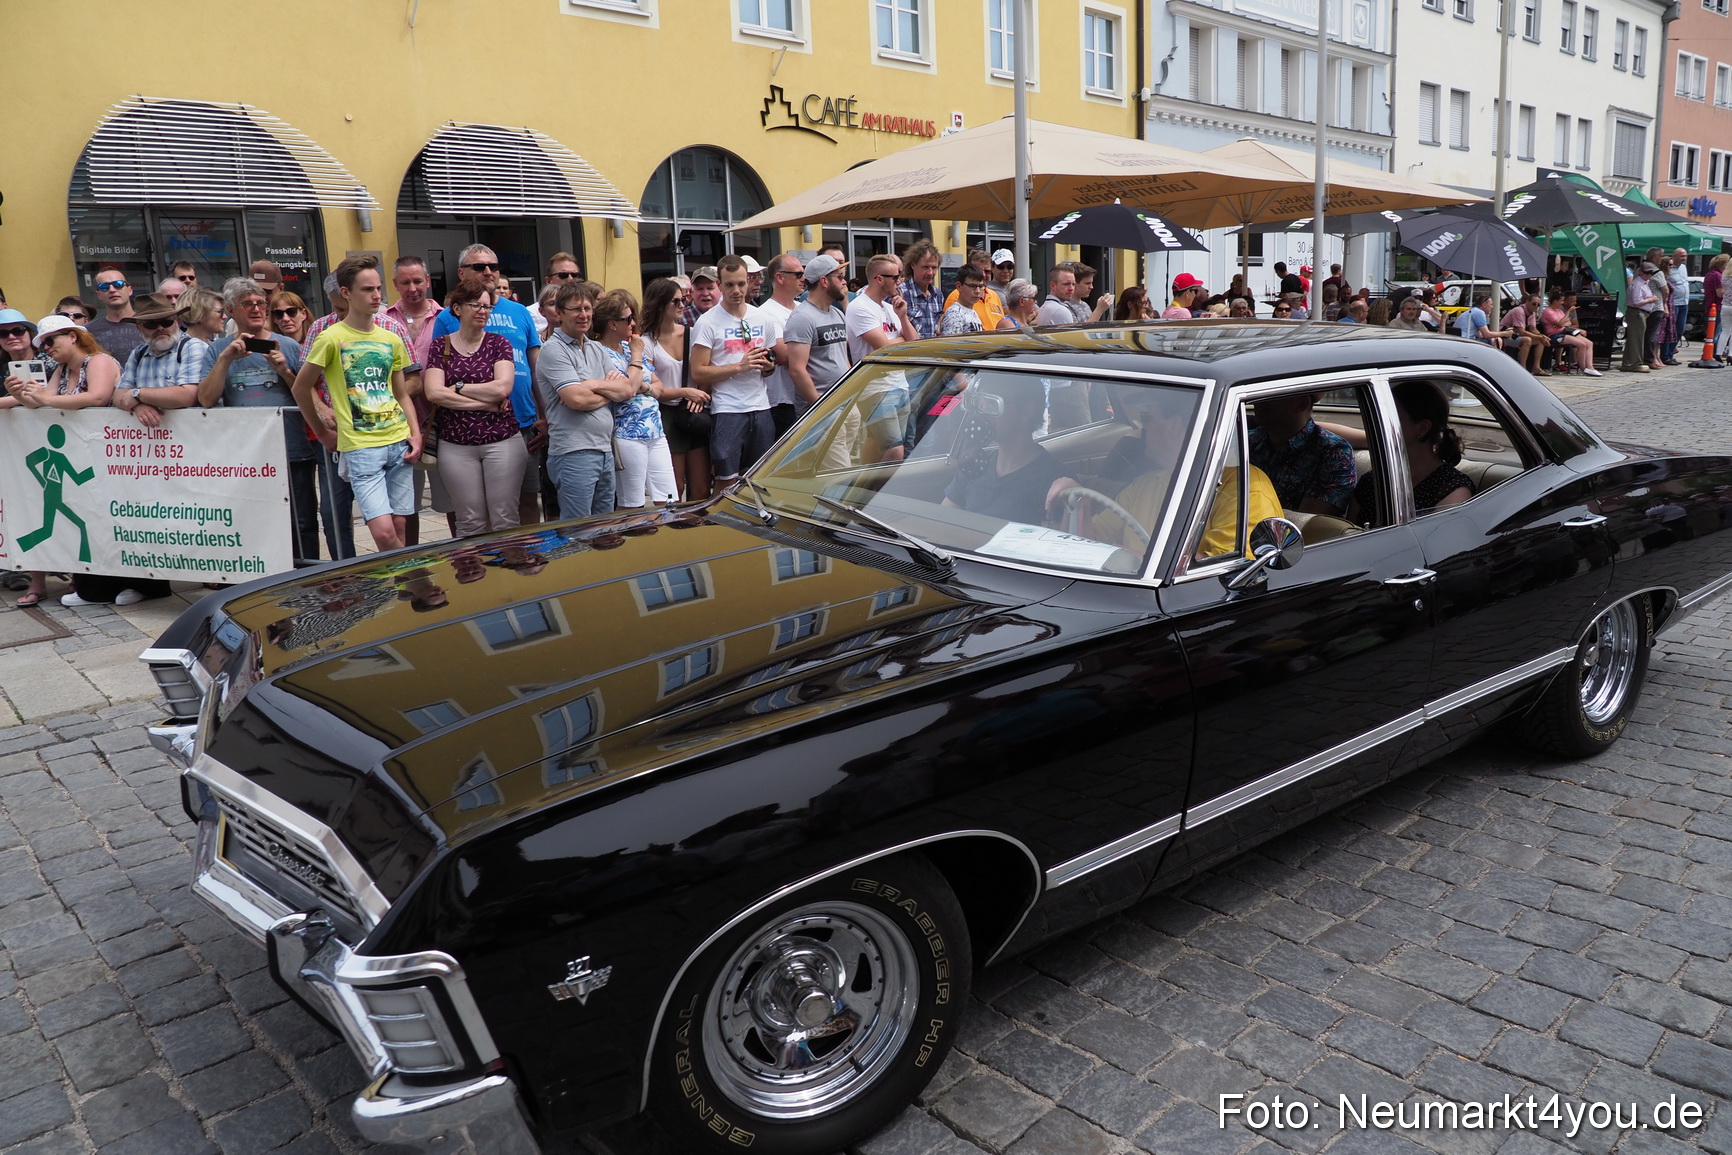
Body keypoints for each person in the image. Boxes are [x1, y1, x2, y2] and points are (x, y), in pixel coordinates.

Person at [6, 316, 163, 608]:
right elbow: (42, 400)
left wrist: (45, 400)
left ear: (73, 337)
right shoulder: (64, 369)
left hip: (115, 455)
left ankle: (144, 585)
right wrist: (20, 394)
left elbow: (98, 396)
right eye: (43, 343)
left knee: (120, 521)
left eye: (51, 341)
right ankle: (95, 588)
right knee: (92, 523)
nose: (46, 348)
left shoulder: (98, 361)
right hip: (86, 455)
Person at [290, 254, 422, 553]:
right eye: (367, 289)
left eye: (377, 288)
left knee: (400, 527)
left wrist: (414, 432)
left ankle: (401, 588)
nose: (376, 295)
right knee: (384, 532)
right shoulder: (330, 337)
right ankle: (408, 582)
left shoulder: (391, 337)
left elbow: (401, 393)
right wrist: (322, 433)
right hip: (361, 447)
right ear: (346, 293)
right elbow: (301, 388)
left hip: (397, 439)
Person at [199, 278, 319, 562]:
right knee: (253, 521)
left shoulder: (288, 345)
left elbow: (309, 396)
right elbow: (205, 398)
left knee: (302, 522)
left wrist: (284, 371)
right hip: (245, 454)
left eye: (261, 303)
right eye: (247, 304)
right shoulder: (218, 350)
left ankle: (309, 578)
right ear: (230, 310)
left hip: (291, 450)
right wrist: (226, 359)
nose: (256, 309)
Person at [430, 244, 544, 525]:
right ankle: (475, 567)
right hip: (458, 435)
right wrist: (481, 400)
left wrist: (545, 414)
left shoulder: (518, 315)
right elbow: (434, 390)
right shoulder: (444, 323)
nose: (489, 272)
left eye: (493, 266)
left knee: (520, 504)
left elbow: (529, 370)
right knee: (470, 515)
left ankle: (524, 561)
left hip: (518, 424)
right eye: (480, 267)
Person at [422, 284, 526, 537]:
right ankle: (474, 574)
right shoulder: (441, 346)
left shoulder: (498, 343)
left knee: (505, 519)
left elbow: (502, 388)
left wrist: (456, 386)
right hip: (455, 444)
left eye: (487, 306)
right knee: (469, 522)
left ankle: (507, 574)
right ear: (457, 309)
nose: (483, 310)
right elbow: (434, 393)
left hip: (502, 441)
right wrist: (483, 402)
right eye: (476, 305)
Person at [537, 281, 634, 516]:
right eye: (576, 309)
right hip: (574, 453)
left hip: (604, 450)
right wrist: (608, 390)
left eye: (588, 309)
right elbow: (576, 400)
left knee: (603, 530)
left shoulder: (596, 349)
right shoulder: (553, 350)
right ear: (559, 314)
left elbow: (627, 390)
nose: (584, 315)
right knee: (577, 530)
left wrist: (591, 385)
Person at [691, 254, 787, 486]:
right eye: (730, 284)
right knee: (726, 479)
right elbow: (698, 372)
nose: (736, 290)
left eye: (741, 283)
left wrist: (768, 367)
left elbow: (771, 363)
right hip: (728, 409)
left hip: (762, 406)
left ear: (750, 282)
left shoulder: (762, 318)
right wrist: (738, 366)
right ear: (720, 286)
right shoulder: (707, 322)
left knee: (759, 479)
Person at [593, 289, 679, 510]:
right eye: (628, 319)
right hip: (627, 434)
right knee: (632, 504)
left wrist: (643, 385)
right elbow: (628, 390)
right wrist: (637, 359)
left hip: (655, 431)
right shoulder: (599, 352)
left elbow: (659, 386)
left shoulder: (628, 347)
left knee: (669, 499)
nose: (633, 323)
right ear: (613, 324)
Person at [941, 385, 1077, 524]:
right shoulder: (975, 464)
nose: (983, 414)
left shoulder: (1054, 481)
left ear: (1026, 411)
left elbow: (1057, 540)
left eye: (993, 404)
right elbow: (942, 520)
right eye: (982, 404)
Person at [387, 256, 451, 541]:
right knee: (405, 507)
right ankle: (411, 565)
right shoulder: (383, 320)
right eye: (405, 282)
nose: (413, 288)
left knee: (452, 502)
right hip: (397, 427)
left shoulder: (446, 317)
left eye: (417, 281)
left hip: (441, 422)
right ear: (395, 285)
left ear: (427, 281)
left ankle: (463, 561)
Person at [1351, 381, 1473, 524]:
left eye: (1391, 418)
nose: (1379, 424)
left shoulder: (1453, 490)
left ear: (1423, 428)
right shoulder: (1371, 481)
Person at [642, 277, 710, 502]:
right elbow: (652, 389)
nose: (682, 306)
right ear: (660, 305)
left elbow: (708, 368)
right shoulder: (647, 342)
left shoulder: (692, 333)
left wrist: (699, 394)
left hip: (695, 410)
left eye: (683, 300)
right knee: (675, 486)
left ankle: (697, 531)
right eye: (676, 302)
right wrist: (685, 392)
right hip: (667, 414)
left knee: (701, 488)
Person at [844, 253, 917, 463]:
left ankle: (864, 490)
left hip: (899, 383)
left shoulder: (889, 307)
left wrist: (903, 316)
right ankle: (881, 492)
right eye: (895, 277)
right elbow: (885, 348)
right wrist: (900, 339)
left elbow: (914, 344)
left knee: (879, 445)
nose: (900, 281)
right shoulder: (860, 307)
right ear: (879, 279)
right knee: (895, 450)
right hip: (876, 388)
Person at [1249, 392, 1357, 515]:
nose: (1258, 400)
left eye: (1272, 394)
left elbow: (1309, 524)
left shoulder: (1333, 452)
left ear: (1302, 404)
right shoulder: (1246, 441)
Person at [110, 294, 203, 429]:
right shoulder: (138, 353)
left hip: (192, 436)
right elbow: (119, 395)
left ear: (177, 322)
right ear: (139, 328)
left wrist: (137, 395)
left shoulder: (192, 347)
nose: (160, 328)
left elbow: (188, 396)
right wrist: (138, 407)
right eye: (151, 324)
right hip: (153, 443)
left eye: (166, 322)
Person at [786, 254, 851, 409]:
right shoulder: (802, 317)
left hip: (845, 402)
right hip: (822, 409)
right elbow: (797, 370)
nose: (844, 282)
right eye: (839, 277)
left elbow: (843, 358)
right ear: (824, 281)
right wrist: (820, 408)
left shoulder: (837, 313)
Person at [757, 253, 806, 435]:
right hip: (783, 400)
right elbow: (784, 354)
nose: (804, 279)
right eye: (798, 275)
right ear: (780, 277)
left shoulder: (803, 309)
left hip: (806, 393)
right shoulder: (766, 313)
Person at [86, 266, 144, 361]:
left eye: (118, 284)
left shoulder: (149, 322)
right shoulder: (89, 331)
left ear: (130, 290)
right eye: (104, 287)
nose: (112, 290)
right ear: (98, 295)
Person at [1539, 289, 1600, 375]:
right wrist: (1567, 314)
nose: (1562, 302)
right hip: (1554, 335)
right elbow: (1561, 323)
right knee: (1581, 344)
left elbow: (1568, 322)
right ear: (1555, 301)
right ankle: (1583, 368)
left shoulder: (1559, 311)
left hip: (1564, 331)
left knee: (1589, 343)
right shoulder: (1548, 311)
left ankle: (1590, 366)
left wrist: (1562, 322)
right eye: (1561, 301)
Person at [943, 250, 1006, 330]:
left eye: (987, 271)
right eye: (979, 271)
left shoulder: (994, 295)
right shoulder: (957, 295)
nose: (983, 275)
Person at [898, 240, 945, 340]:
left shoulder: (938, 295)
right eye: (925, 267)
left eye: (934, 268)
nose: (930, 273)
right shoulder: (901, 293)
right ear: (913, 265)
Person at [1621, 261, 1660, 373]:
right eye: (1647, 273)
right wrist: (1651, 299)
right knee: (1637, 340)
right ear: (1641, 272)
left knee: (1635, 339)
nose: (1649, 275)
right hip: (1637, 313)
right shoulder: (1638, 284)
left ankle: (1629, 363)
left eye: (1651, 273)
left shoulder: (1644, 283)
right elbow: (1636, 302)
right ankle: (1635, 363)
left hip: (1641, 313)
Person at [1503, 292, 1548, 376]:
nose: (1535, 306)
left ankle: (1536, 367)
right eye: (1534, 304)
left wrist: (1542, 336)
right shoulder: (1519, 311)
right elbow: (1521, 331)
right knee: (1527, 340)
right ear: (1527, 302)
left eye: (1538, 305)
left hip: (1516, 336)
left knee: (1540, 341)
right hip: (1505, 336)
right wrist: (1539, 336)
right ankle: (1522, 368)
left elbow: (1532, 328)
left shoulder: (1532, 313)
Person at [939, 266, 989, 336]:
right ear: (959, 286)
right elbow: (950, 344)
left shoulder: (973, 312)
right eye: (972, 286)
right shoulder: (955, 314)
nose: (977, 291)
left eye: (981, 286)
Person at [1707, 252, 1731, 364]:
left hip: (1724, 305)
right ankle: (1730, 355)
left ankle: (1718, 353)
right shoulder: (1720, 276)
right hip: (1724, 305)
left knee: (1724, 331)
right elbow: (1720, 292)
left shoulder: (1723, 278)